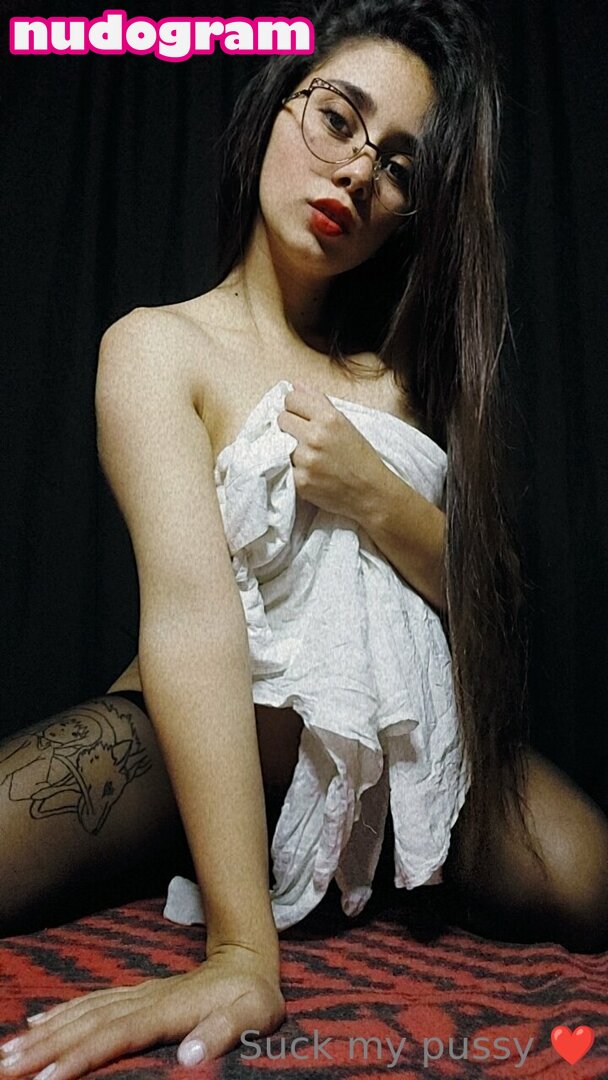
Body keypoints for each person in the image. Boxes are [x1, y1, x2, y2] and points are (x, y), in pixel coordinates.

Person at [1, 0, 607, 1075]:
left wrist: (377, 498)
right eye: (337, 119)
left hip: (388, 753)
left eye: (399, 166)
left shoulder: (406, 380)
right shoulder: (157, 348)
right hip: (191, 740)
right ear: (275, 108)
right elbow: (191, 618)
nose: (357, 173)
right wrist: (242, 953)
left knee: (586, 874)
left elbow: (494, 619)